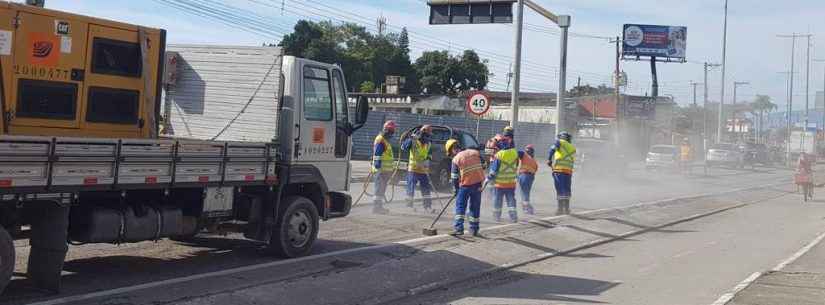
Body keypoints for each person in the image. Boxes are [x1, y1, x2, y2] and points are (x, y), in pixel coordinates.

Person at [447, 139, 485, 236]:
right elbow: (484, 165)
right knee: (475, 207)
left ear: (452, 150)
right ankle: (474, 230)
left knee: (460, 207)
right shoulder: (474, 152)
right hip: (478, 184)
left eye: (450, 153)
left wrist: (456, 189)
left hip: (465, 186)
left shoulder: (456, 159)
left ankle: (459, 229)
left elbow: (454, 177)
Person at [488, 137, 522, 223]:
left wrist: (489, 178)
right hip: (511, 183)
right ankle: (513, 217)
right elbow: (517, 164)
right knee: (511, 200)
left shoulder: (499, 154)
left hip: (500, 184)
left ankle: (496, 216)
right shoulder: (514, 152)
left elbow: (494, 170)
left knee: (498, 201)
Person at [401, 125, 434, 212]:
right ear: (424, 133)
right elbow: (403, 147)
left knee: (426, 189)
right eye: (429, 134)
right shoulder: (414, 141)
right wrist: (411, 139)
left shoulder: (428, 143)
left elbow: (429, 154)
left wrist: (427, 159)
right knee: (411, 187)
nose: (430, 136)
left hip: (423, 170)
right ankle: (409, 206)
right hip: (413, 169)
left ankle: (427, 206)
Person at [370, 120, 397, 214]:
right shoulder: (381, 139)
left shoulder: (385, 141)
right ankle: (376, 208)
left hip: (385, 170)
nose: (391, 133)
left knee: (382, 189)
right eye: (390, 131)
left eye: (392, 131)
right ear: (385, 129)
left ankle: (379, 207)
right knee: (379, 189)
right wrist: (377, 163)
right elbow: (377, 153)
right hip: (380, 170)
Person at [547, 131, 576, 215]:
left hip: (559, 170)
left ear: (561, 137)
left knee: (559, 189)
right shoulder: (572, 147)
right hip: (568, 172)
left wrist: (549, 159)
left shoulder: (559, 142)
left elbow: (552, 150)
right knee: (567, 190)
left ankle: (560, 209)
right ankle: (567, 209)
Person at [518, 144, 538, 215]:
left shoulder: (524, 155)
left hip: (523, 176)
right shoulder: (534, 161)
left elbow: (517, 153)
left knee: (524, 193)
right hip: (530, 177)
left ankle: (526, 208)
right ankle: (527, 208)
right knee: (526, 193)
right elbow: (535, 170)